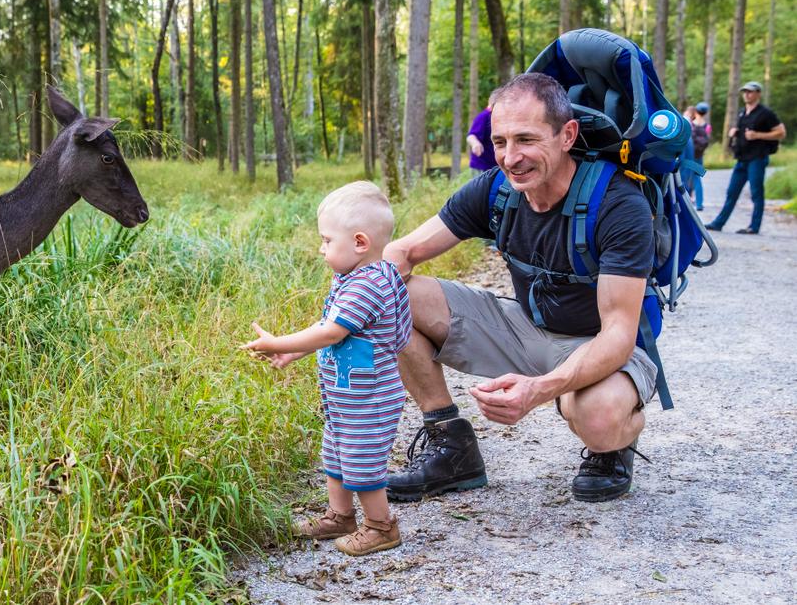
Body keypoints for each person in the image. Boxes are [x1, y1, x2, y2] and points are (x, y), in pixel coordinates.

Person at [381, 73, 659, 504]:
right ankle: (450, 446)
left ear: (567, 135)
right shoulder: (495, 189)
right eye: (500, 142)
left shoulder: (619, 205)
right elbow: (402, 252)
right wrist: (334, 324)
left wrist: (542, 389)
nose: (511, 158)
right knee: (389, 295)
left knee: (598, 418)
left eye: (526, 140)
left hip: (599, 343)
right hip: (526, 327)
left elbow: (619, 333)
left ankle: (613, 446)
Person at [242, 181, 411, 556]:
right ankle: (340, 516)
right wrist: (294, 355)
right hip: (347, 398)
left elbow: (331, 330)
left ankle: (381, 527)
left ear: (360, 243)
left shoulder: (369, 285)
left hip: (370, 399)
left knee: (362, 465)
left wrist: (277, 342)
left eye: (326, 240)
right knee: (335, 456)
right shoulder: (353, 278)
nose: (321, 248)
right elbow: (333, 334)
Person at [706, 81, 787, 234]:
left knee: (756, 192)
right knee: (731, 192)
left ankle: (754, 227)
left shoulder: (766, 113)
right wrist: (734, 132)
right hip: (742, 158)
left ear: (758, 93)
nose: (747, 94)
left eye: (750, 91)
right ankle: (718, 223)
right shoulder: (742, 112)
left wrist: (758, 135)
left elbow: (781, 133)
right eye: (745, 92)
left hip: (757, 158)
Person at [687, 102, 713, 210]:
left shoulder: (690, 124)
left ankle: (687, 202)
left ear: (696, 111)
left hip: (689, 156)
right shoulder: (707, 126)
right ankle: (699, 204)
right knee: (697, 178)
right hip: (699, 156)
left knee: (686, 177)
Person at [467, 100, 496, 172]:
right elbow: (471, 136)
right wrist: (475, 144)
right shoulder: (483, 116)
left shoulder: (497, 117)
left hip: (494, 166)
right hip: (481, 166)